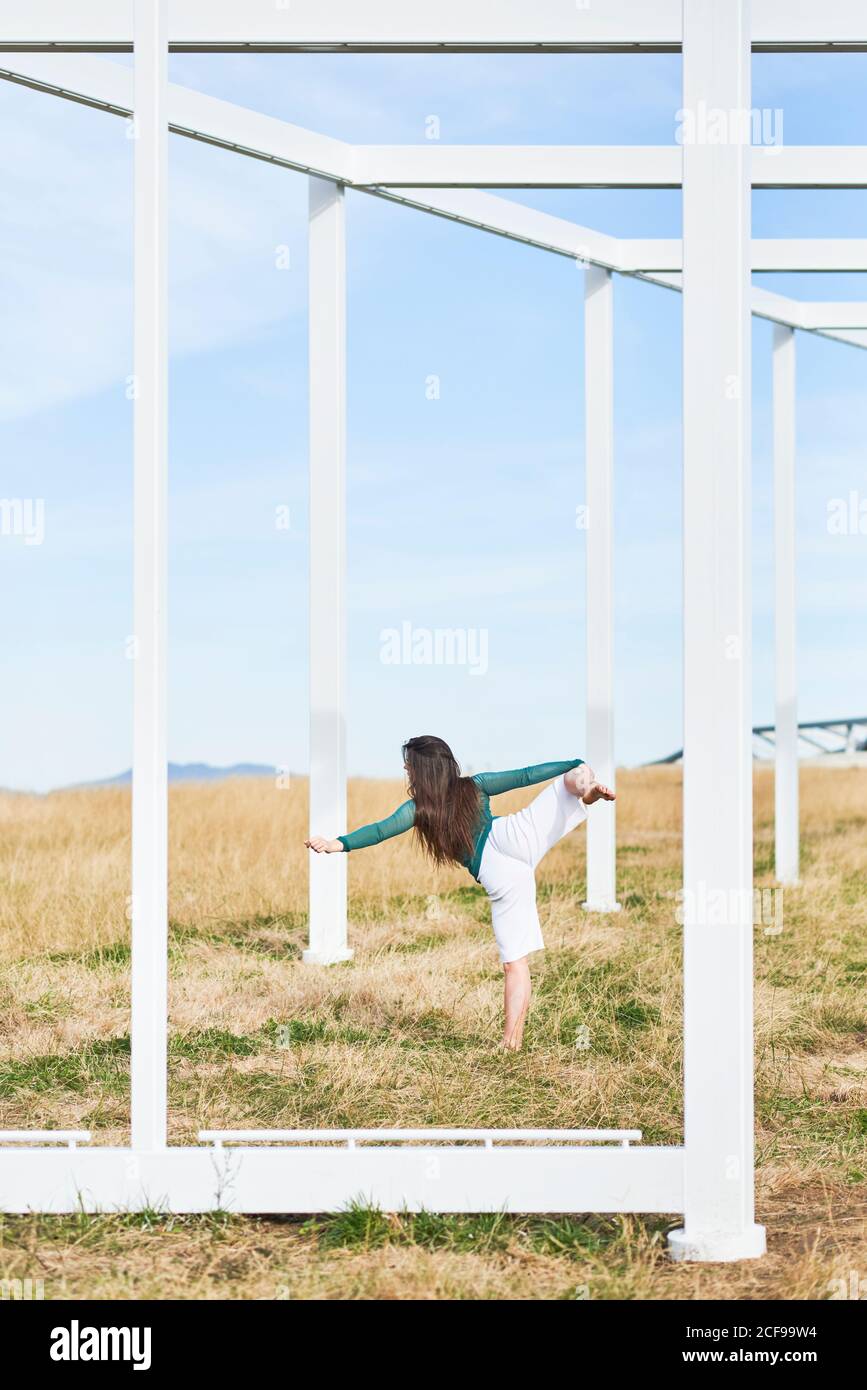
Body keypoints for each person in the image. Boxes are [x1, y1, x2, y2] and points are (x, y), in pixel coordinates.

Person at [305, 735, 615, 1049]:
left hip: (497, 873)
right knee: (573, 777)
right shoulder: (474, 785)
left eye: (409, 764)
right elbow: (525, 776)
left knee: (515, 962)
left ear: (422, 770)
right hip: (515, 836)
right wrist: (573, 764)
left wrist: (337, 844)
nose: (405, 768)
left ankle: (511, 1044)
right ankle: (586, 790)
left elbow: (381, 830)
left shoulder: (419, 809)